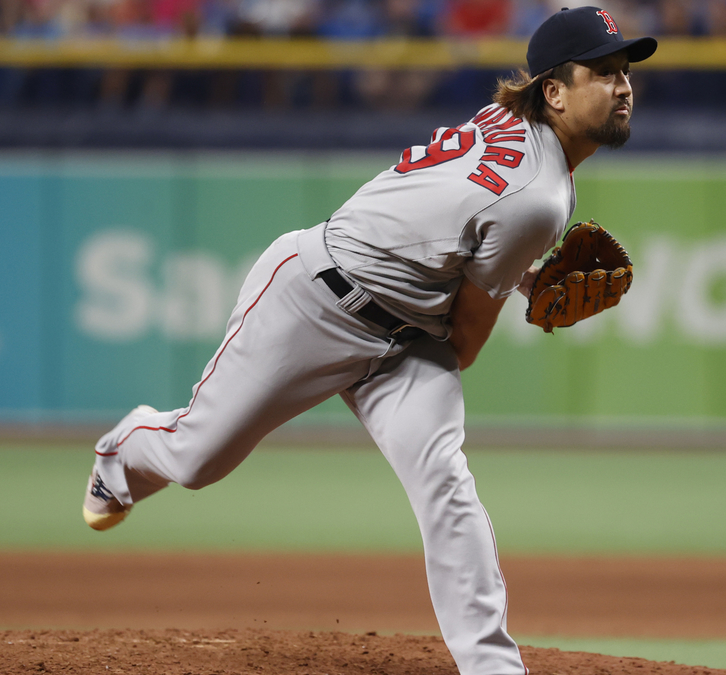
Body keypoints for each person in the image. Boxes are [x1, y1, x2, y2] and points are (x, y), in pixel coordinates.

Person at [82, 6, 656, 674]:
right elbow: (466, 341)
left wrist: (521, 280)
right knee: (198, 460)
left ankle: (492, 667)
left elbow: (454, 237)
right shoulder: (538, 198)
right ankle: (120, 456)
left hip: (405, 335)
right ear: (553, 91)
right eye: (603, 71)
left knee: (444, 481)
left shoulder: (515, 124)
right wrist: (519, 289)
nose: (623, 85)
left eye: (625, 71)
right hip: (314, 301)